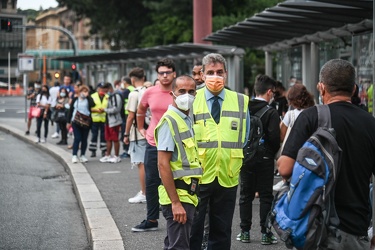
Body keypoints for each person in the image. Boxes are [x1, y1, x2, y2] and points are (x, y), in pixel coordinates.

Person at [278, 59, 375, 250]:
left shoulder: (311, 117)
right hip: (358, 228)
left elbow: (284, 168)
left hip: (318, 227)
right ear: (354, 89)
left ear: (321, 88)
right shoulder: (370, 123)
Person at [190, 53, 250, 250]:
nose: (215, 76)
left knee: (222, 230)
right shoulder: (191, 99)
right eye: (210, 72)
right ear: (202, 74)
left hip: (227, 174)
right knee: (194, 228)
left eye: (219, 72)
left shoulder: (241, 101)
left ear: (226, 73)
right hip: (197, 175)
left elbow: (245, 135)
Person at [155, 75, 202, 249]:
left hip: (187, 194)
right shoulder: (170, 122)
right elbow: (163, 164)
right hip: (178, 196)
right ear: (172, 94)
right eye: (182, 91)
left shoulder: (187, 120)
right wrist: (175, 203)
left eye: (191, 91)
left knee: (174, 245)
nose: (187, 95)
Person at [131, 58, 176, 232]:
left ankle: (176, 214)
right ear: (157, 75)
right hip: (153, 141)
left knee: (177, 179)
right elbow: (140, 111)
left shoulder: (179, 92)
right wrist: (141, 129)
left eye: (168, 72)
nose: (165, 76)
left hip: (176, 143)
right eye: (161, 73)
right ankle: (151, 220)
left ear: (174, 73)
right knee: (151, 181)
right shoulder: (150, 92)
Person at [237, 74, 280, 245]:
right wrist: (270, 153)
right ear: (269, 92)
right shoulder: (271, 112)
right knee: (266, 195)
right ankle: (265, 233)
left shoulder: (244, 108)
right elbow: (275, 138)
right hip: (265, 158)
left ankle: (245, 231)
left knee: (245, 195)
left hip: (245, 157)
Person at [273, 83, 315, 191]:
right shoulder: (314, 112)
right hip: (310, 149)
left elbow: (281, 136)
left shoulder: (290, 115)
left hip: (292, 151)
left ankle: (286, 182)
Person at [123, 67, 147, 203]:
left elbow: (131, 116)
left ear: (132, 79)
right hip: (150, 131)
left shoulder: (134, 94)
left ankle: (144, 193)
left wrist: (126, 134)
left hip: (138, 133)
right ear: (143, 78)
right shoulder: (149, 91)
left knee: (141, 163)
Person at [67, 85, 95, 163]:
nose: (84, 93)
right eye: (83, 91)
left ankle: (83, 155)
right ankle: (74, 155)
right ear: (80, 92)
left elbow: (93, 104)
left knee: (84, 139)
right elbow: (71, 110)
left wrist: (88, 96)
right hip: (76, 121)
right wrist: (68, 121)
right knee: (77, 138)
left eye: (86, 91)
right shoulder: (75, 99)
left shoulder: (88, 100)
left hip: (86, 122)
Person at [100, 83, 123, 163]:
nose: (104, 91)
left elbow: (116, 109)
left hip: (115, 120)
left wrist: (105, 110)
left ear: (109, 88)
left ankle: (117, 156)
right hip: (108, 120)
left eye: (104, 89)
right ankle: (108, 155)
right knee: (108, 138)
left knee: (115, 138)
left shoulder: (116, 96)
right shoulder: (109, 96)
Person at [89, 83, 109, 158]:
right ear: (98, 89)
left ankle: (104, 150)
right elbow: (89, 107)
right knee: (94, 135)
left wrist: (104, 110)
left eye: (104, 89)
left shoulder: (108, 97)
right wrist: (96, 110)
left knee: (103, 136)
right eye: (101, 89)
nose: (102, 90)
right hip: (95, 119)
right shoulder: (92, 96)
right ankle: (93, 150)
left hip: (104, 119)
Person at [120, 76, 134, 158]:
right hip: (133, 112)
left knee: (126, 131)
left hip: (127, 113)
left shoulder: (126, 91)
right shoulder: (134, 89)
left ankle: (127, 150)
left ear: (125, 82)